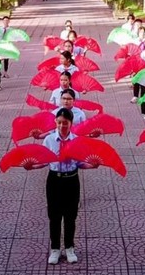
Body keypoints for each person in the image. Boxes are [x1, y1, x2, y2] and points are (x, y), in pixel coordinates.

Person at [26, 108, 99, 264]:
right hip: (54, 180)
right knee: (54, 216)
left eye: (65, 123)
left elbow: (80, 163)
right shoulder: (49, 140)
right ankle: (55, 249)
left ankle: (69, 248)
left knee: (70, 216)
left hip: (72, 180)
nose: (61, 126)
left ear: (71, 123)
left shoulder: (77, 141)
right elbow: (44, 161)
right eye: (58, 123)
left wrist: (92, 166)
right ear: (55, 123)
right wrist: (32, 166)